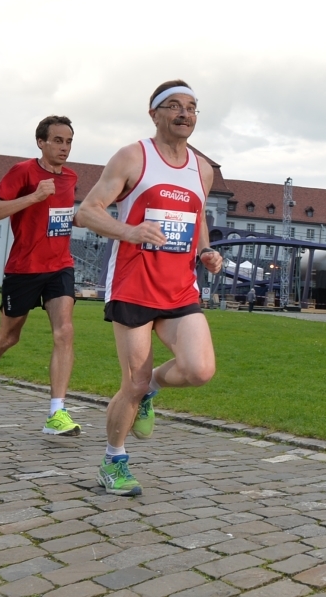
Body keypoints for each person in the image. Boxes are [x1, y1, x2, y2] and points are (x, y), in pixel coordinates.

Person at [76, 81, 223, 496]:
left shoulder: (203, 169)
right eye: (174, 106)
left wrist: (206, 251)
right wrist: (131, 231)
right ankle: (114, 460)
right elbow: (88, 212)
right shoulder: (132, 156)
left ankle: (152, 389)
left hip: (180, 289)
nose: (184, 114)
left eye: (192, 107)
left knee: (200, 370)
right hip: (134, 284)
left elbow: (197, 218)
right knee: (132, 381)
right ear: (154, 113)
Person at [0, 115, 80, 437]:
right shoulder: (23, 172)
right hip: (24, 269)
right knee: (8, 337)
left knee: (64, 332)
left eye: (69, 141)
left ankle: (57, 412)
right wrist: (34, 197)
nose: (64, 147)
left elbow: (61, 217)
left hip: (60, 265)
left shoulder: (71, 177)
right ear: (41, 142)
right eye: (58, 140)